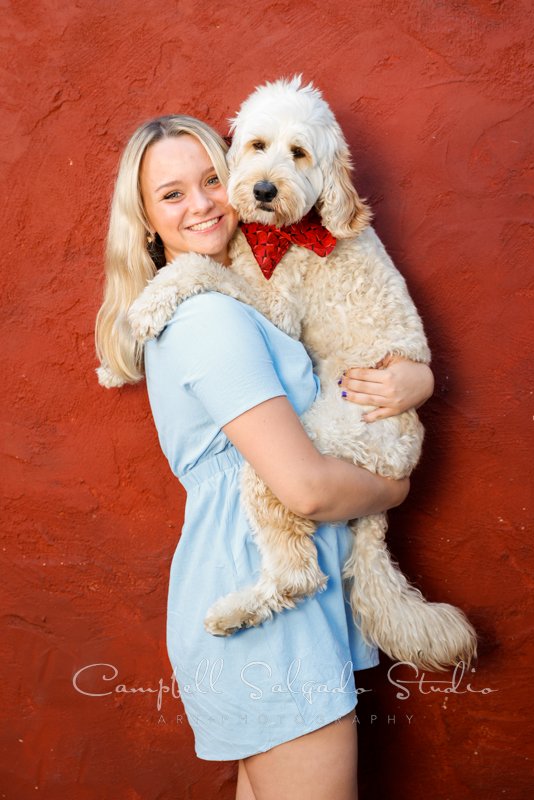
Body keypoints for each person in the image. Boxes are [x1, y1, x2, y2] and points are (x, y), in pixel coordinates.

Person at [95, 115, 434, 800]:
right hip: (266, 598)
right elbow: (305, 490)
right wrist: (392, 489)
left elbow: (344, 359)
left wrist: (415, 378)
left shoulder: (230, 301)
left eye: (211, 180)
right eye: (171, 195)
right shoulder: (210, 317)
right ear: (146, 223)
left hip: (260, 589)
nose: (201, 204)